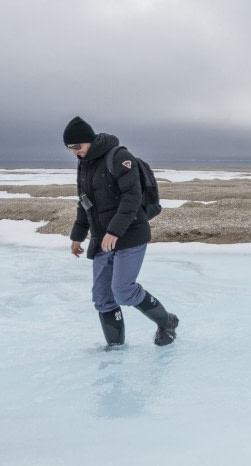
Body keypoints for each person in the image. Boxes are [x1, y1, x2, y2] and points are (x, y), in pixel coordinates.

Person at [64, 116, 179, 347]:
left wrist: (114, 232)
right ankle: (115, 348)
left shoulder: (119, 157)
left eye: (77, 146)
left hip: (130, 235)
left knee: (123, 290)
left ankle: (167, 322)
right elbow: (84, 202)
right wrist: (77, 235)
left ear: (89, 140)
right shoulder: (84, 164)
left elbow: (132, 198)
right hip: (101, 238)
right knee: (102, 297)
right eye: (70, 149)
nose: (75, 152)